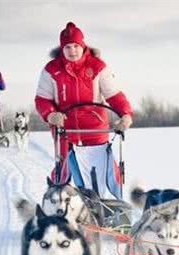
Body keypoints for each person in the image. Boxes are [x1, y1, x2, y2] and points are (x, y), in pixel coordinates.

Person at [35, 22, 133, 198]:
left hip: (95, 130)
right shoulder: (51, 70)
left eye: (76, 46)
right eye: (68, 47)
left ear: (83, 45)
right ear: (62, 48)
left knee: (100, 174)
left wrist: (125, 115)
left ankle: (108, 208)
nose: (72, 51)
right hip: (66, 131)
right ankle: (57, 205)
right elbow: (42, 99)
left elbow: (114, 95)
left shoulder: (97, 67)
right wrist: (50, 114)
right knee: (63, 172)